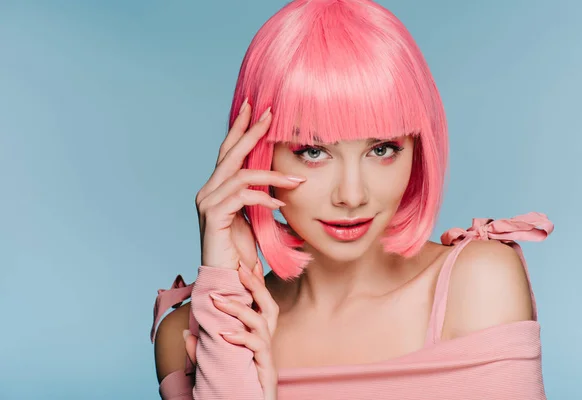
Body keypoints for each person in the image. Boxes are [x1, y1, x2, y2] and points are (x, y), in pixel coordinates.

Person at [150, 0, 554, 398]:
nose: (352, 195)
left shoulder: (480, 284)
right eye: (312, 150)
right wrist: (226, 310)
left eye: (381, 149)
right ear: (255, 154)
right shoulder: (187, 337)